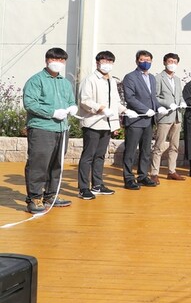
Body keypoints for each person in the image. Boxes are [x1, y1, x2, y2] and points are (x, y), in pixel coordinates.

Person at [22, 47, 78, 213]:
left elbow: (70, 101)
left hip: (62, 129)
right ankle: (34, 198)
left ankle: (51, 195)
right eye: (55, 59)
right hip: (42, 128)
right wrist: (52, 112)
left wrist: (72, 107)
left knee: (57, 164)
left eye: (61, 60)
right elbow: (30, 104)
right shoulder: (36, 80)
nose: (58, 63)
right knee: (38, 163)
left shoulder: (65, 82)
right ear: (47, 60)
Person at [77, 51, 127, 200]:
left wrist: (125, 110)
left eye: (110, 62)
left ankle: (97, 184)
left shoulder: (112, 81)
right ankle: (83, 188)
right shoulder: (90, 79)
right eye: (104, 61)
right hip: (93, 123)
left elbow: (115, 102)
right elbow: (85, 100)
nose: (107, 64)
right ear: (97, 62)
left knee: (100, 155)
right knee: (88, 156)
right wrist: (100, 108)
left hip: (107, 124)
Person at [122, 50, 163, 190]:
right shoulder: (130, 77)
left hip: (149, 121)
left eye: (148, 60)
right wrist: (144, 110)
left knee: (146, 151)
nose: (145, 62)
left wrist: (158, 107)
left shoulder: (151, 77)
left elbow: (152, 98)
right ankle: (128, 178)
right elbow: (130, 97)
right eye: (142, 60)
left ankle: (143, 176)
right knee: (130, 151)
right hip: (136, 120)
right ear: (136, 61)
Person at [152, 53, 186, 182]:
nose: (172, 63)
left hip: (177, 117)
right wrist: (167, 104)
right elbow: (155, 96)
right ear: (165, 62)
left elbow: (180, 95)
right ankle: (154, 173)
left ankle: (172, 171)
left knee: (174, 146)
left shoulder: (177, 79)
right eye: (170, 61)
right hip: (165, 116)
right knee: (159, 146)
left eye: (175, 61)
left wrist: (182, 102)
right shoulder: (158, 78)